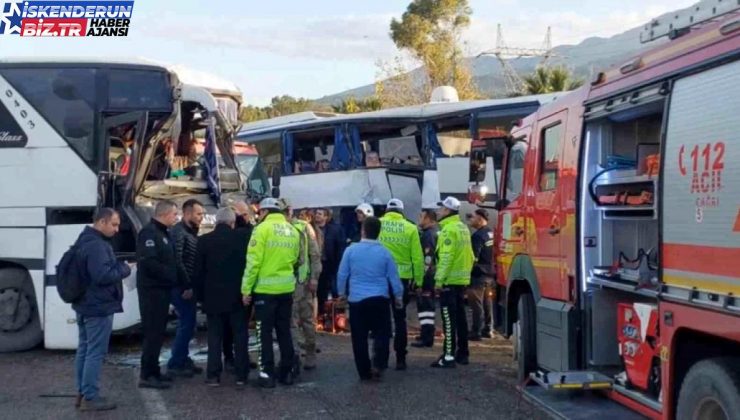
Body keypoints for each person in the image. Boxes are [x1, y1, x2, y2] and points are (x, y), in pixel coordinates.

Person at [72, 208, 132, 411]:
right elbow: (103, 275)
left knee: (85, 349)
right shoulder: (97, 245)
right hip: (98, 306)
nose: (117, 230)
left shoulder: (84, 239)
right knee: (95, 352)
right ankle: (91, 396)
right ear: (102, 222)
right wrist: (125, 268)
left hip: (84, 304)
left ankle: (82, 392)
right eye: (114, 225)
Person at [241, 198, 302, 388]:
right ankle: (287, 372)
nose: (258, 215)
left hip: (265, 291)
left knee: (264, 334)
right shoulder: (292, 231)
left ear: (265, 212)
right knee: (284, 331)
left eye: (259, 212)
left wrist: (246, 290)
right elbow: (294, 259)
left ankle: (267, 374)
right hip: (286, 289)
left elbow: (253, 262)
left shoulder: (261, 230)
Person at [337, 217, 404, 381]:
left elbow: (342, 274)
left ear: (363, 230)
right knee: (382, 333)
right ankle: (379, 364)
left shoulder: (351, 251)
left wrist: (341, 293)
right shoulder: (385, 253)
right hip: (379, 299)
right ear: (378, 233)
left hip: (357, 300)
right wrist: (398, 296)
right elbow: (393, 277)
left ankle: (364, 371)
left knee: (359, 338)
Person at [193, 208, 250, 387]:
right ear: (232, 223)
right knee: (240, 335)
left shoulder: (203, 241)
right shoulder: (242, 239)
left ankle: (213, 375)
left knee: (214, 337)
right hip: (237, 296)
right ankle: (241, 375)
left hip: (213, 297)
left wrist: (200, 297)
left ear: (216, 222)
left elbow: (198, 273)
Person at [137, 200, 184, 389]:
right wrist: (171, 275)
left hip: (162, 290)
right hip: (151, 291)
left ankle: (154, 370)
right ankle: (147, 375)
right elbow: (149, 262)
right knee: (152, 333)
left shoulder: (164, 233)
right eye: (174, 214)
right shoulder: (149, 233)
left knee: (158, 333)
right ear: (164, 214)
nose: (176, 217)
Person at [378, 198, 424, 370]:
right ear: (401, 211)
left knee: (381, 319)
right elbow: (417, 258)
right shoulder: (410, 228)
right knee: (400, 319)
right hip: (401, 281)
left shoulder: (378, 224)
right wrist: (418, 281)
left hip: (380, 280)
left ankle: (380, 359)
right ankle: (400, 358)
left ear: (387, 209)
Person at [431, 197, 474, 368]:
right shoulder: (463, 228)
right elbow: (470, 255)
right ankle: (462, 353)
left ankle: (448, 356)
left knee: (448, 320)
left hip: (449, 280)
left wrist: (439, 281)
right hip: (461, 279)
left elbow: (446, 257)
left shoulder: (448, 230)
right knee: (461, 319)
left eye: (441, 208)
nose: (438, 211)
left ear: (448, 211)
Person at [280, 200, 322, 370]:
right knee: (290, 320)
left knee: (306, 320)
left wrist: (314, 278)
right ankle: (294, 355)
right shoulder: (278, 228)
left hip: (302, 282)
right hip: (285, 282)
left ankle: (310, 353)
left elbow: (315, 255)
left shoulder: (303, 227)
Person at [167, 199, 205, 377]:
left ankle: (182, 358)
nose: (201, 217)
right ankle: (176, 362)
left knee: (189, 324)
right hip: (181, 287)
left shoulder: (190, 232)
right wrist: (186, 285)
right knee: (187, 323)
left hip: (188, 285)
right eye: (198, 214)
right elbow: (178, 260)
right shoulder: (179, 232)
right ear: (187, 213)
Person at [222, 201, 255, 371]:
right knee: (229, 326)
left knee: (242, 325)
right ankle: (230, 357)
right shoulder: (228, 231)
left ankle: (242, 357)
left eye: (243, 214)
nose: (241, 217)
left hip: (245, 285)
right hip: (231, 286)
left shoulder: (252, 232)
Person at [411, 208, 439, 348]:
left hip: (428, 276)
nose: (419, 218)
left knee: (426, 307)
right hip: (433, 274)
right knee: (426, 306)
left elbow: (428, 257)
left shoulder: (428, 235)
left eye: (422, 216)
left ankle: (427, 337)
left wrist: (420, 278)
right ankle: (425, 334)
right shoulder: (434, 232)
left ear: (429, 219)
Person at [467, 209, 495, 341]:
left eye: (472, 217)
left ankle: (476, 331)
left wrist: (468, 272)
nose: (470, 220)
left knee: (476, 303)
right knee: (487, 302)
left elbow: (473, 258)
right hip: (490, 274)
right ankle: (488, 329)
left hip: (478, 275)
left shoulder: (477, 236)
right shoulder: (490, 233)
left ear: (480, 219)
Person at [314, 207, 345, 319]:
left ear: (326, 217)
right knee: (318, 291)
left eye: (320, 214)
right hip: (316, 264)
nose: (317, 215)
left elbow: (339, 247)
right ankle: (319, 314)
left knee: (333, 289)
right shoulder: (311, 229)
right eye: (316, 213)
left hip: (329, 264)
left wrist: (338, 263)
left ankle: (335, 315)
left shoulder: (334, 230)